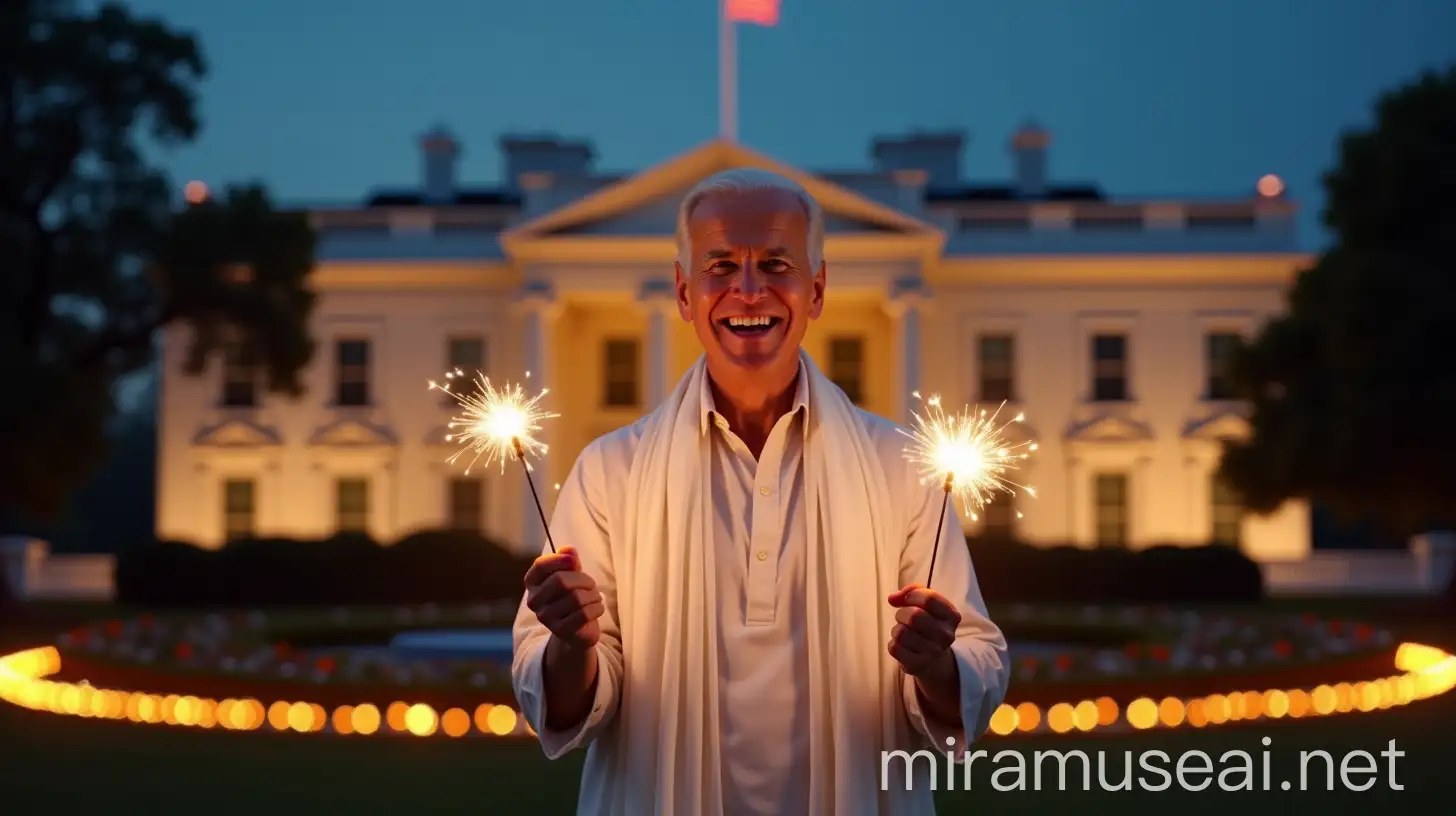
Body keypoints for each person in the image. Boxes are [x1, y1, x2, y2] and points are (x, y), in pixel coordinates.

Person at [512, 167, 1009, 815]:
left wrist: (936, 662)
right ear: (685, 294)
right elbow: (563, 698)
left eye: (776, 264)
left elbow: (975, 666)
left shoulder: (902, 466)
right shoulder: (612, 471)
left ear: (818, 290)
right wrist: (573, 644)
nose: (748, 291)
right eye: (720, 266)